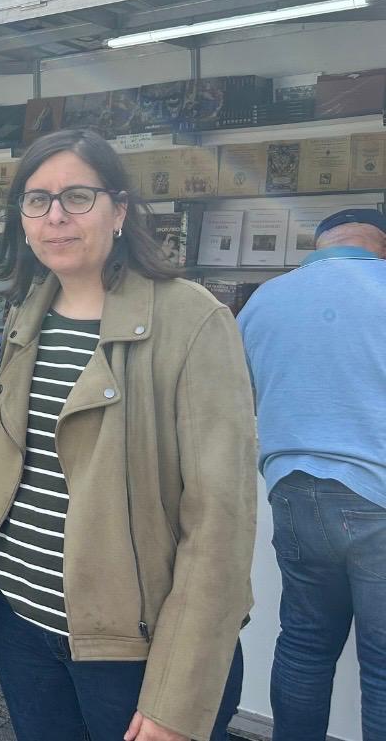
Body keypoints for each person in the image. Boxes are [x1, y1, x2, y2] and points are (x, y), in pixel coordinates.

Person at [0, 129, 255, 741]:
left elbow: (219, 523)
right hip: (19, 618)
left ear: (119, 210)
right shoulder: (26, 313)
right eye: (37, 200)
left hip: (128, 642)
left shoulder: (192, 319)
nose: (55, 216)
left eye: (77, 197)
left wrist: (178, 695)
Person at [237, 207, 386, 741]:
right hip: (378, 495)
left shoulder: (265, 299)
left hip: (292, 491)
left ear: (319, 244)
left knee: (303, 645)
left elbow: (237, 394)